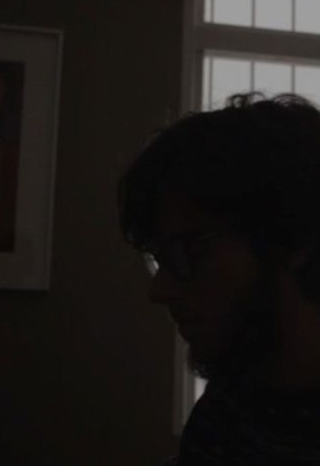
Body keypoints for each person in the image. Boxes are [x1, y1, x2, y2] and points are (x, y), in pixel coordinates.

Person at [118, 92, 320, 465]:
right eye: (160, 260)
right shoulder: (228, 411)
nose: (158, 291)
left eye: (185, 252)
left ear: (294, 239)